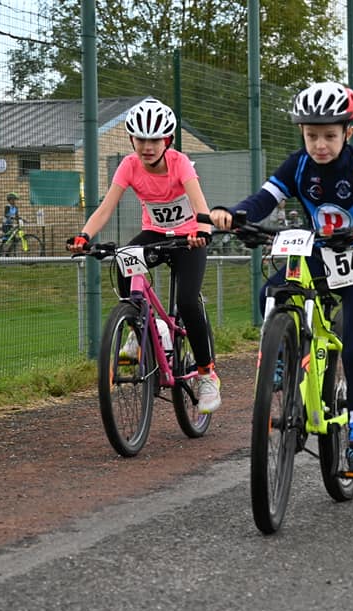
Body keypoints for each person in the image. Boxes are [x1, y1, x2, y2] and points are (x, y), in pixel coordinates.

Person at [209, 81, 353, 475]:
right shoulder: (297, 165)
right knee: (271, 291)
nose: (320, 145)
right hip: (317, 253)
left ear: (348, 131)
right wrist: (234, 214)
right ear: (302, 132)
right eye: (312, 135)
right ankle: (282, 359)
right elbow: (264, 199)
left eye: (330, 136)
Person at [67, 97, 222, 413]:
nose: (147, 147)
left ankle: (207, 374)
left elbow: (200, 205)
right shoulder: (129, 166)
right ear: (131, 140)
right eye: (141, 139)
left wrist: (203, 231)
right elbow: (106, 208)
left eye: (155, 140)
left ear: (168, 141)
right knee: (124, 261)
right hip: (155, 235)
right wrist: (85, 236)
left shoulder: (180, 163)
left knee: (188, 302)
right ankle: (142, 329)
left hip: (188, 239)